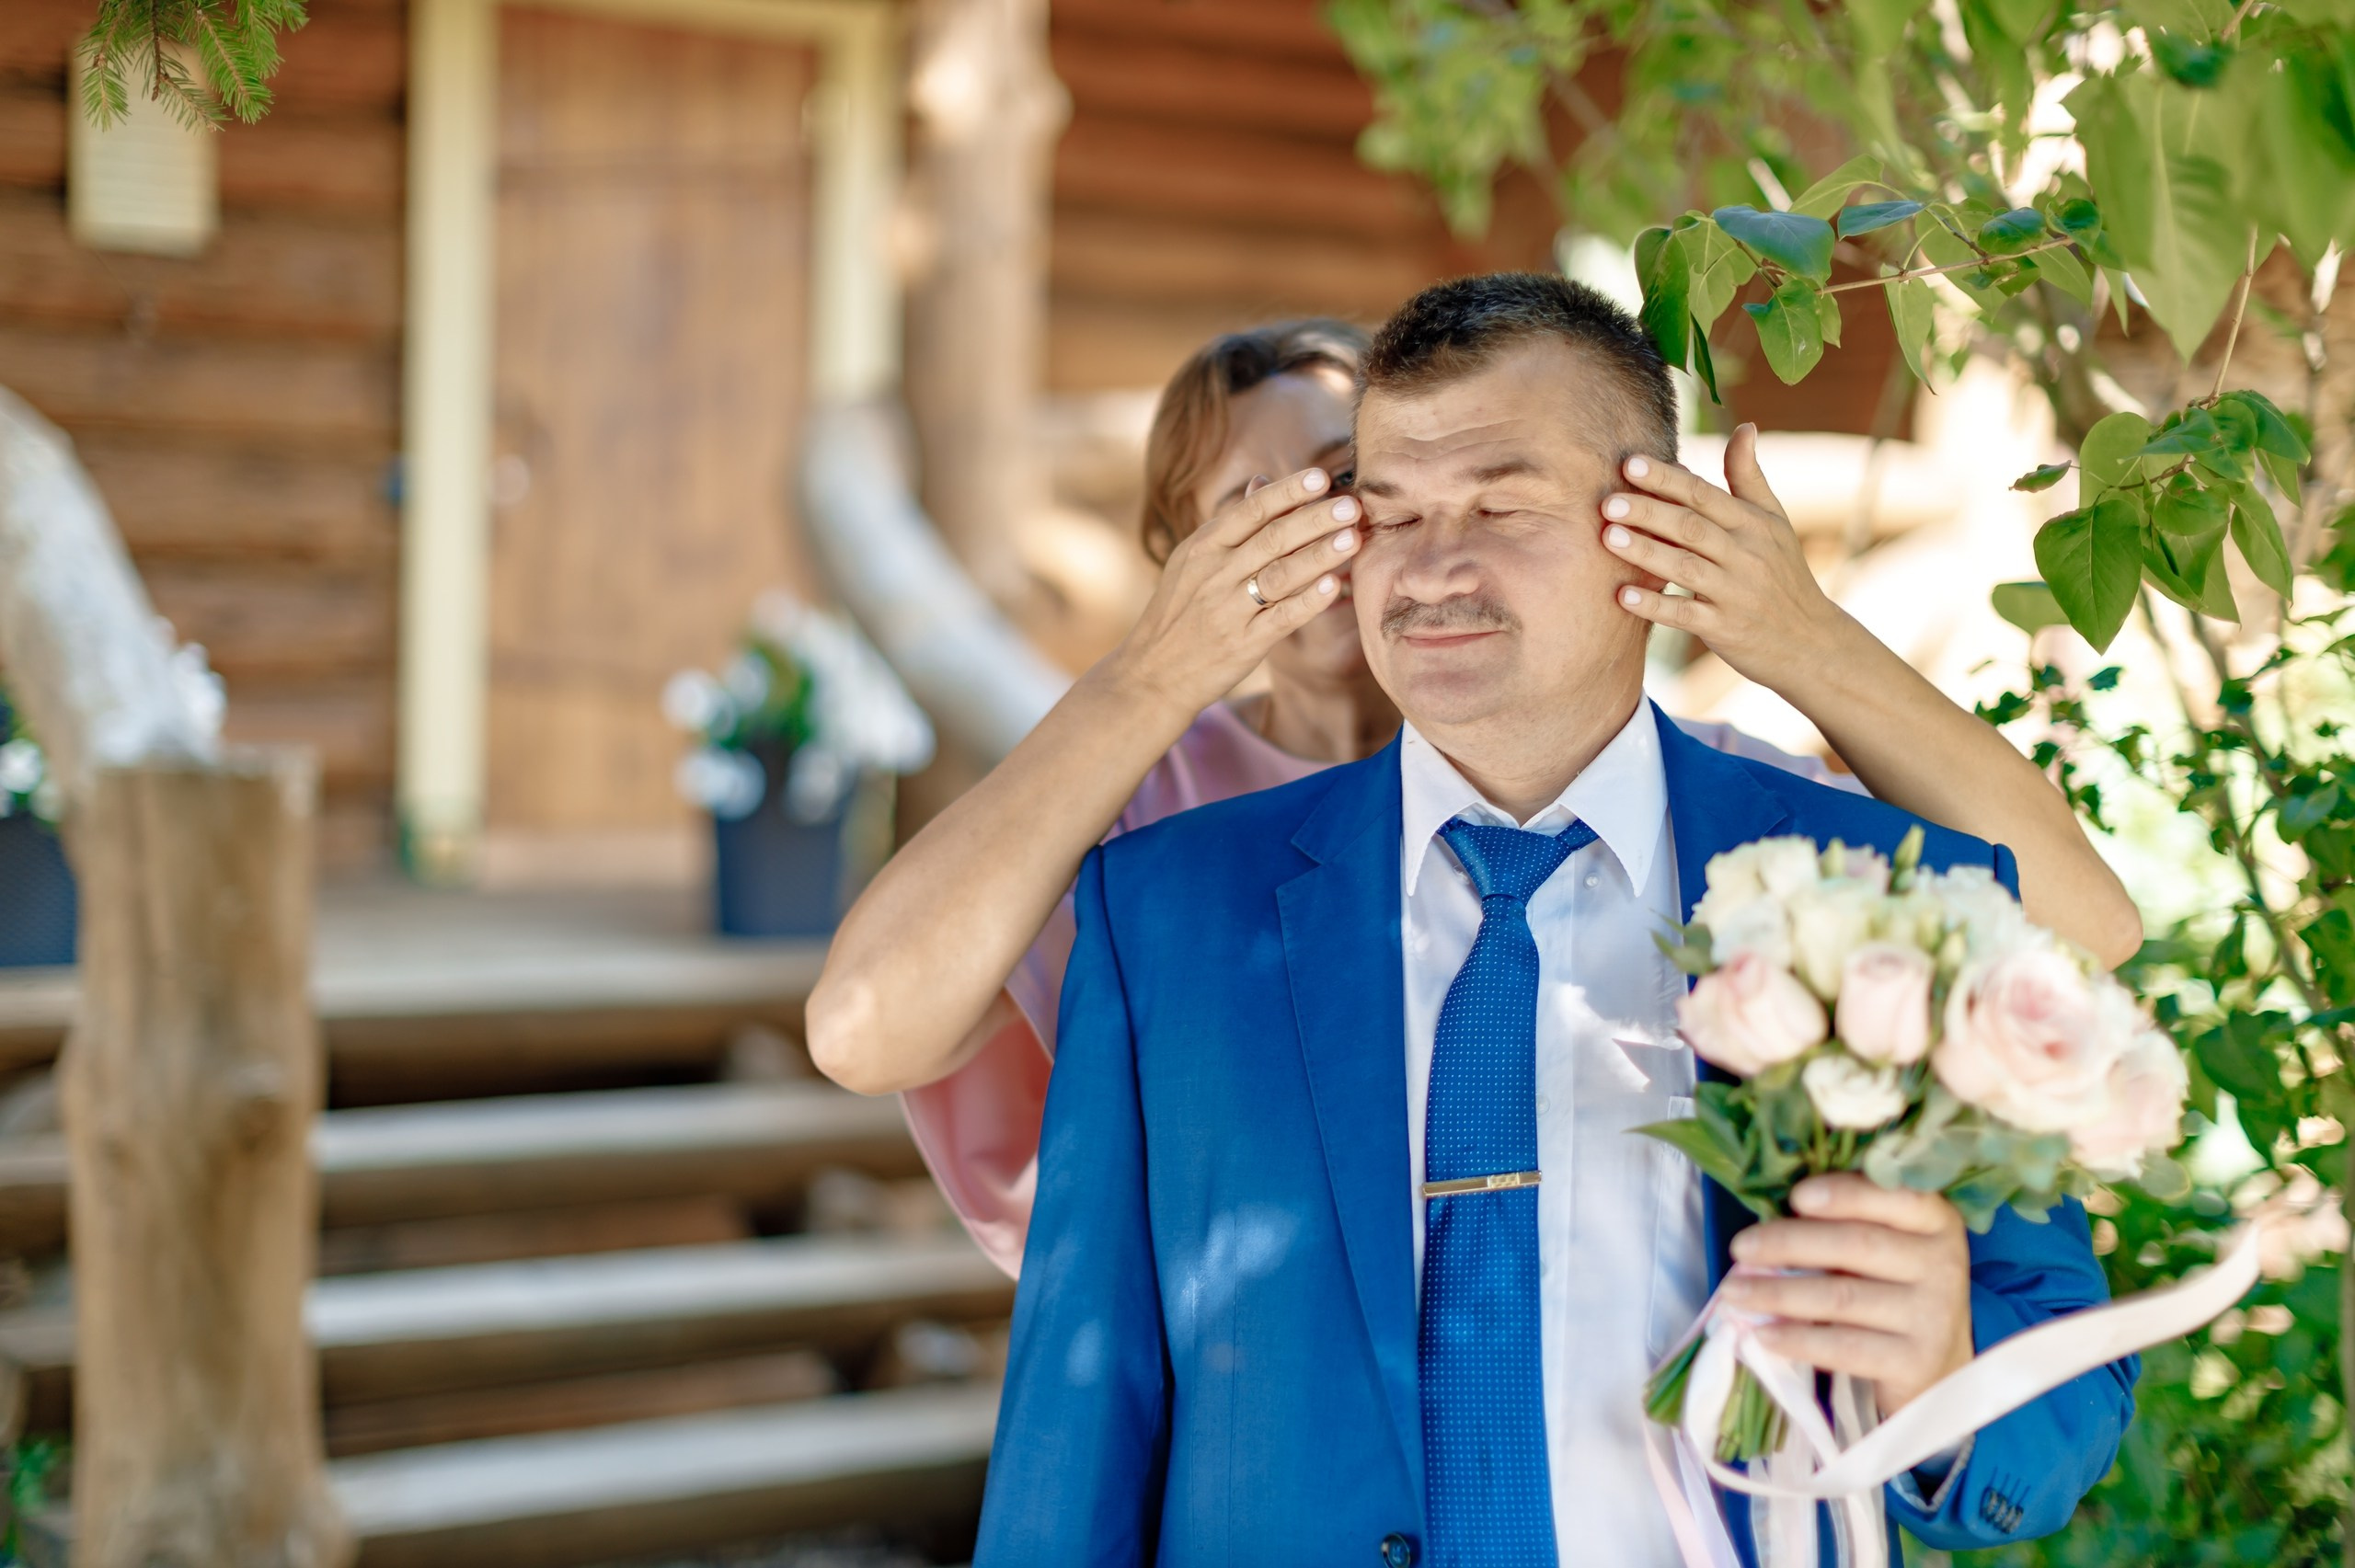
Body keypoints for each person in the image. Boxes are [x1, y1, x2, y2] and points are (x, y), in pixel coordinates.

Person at [970, 275, 2131, 1568]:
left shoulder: (1877, 894)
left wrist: (1944, 1364)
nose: (1429, 567)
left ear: (1650, 528)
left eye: (1499, 506)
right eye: (1388, 511)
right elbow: (1076, 1425)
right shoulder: (1168, 912)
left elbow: (2065, 1390)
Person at [806, 320, 2142, 1279]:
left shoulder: (1653, 792)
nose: (1337, 541)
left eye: (1355, 491)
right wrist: (1149, 676)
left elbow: (2082, 922)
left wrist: (1801, 638)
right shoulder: (1149, 824)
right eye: (1257, 510)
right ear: (1182, 552)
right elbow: (863, 1025)